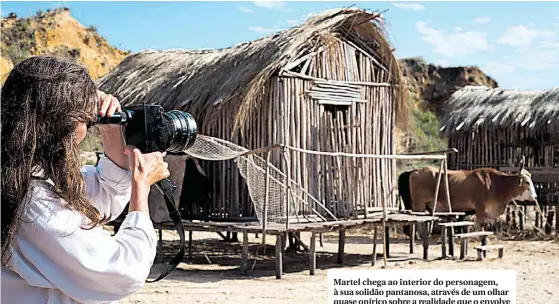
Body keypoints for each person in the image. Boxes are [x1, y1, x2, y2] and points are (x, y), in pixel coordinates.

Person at [1, 55, 170, 304]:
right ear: (61, 124)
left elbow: (104, 195)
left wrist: (110, 129)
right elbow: (121, 272)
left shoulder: (21, 177)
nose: (86, 127)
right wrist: (141, 187)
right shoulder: (34, 204)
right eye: (85, 120)